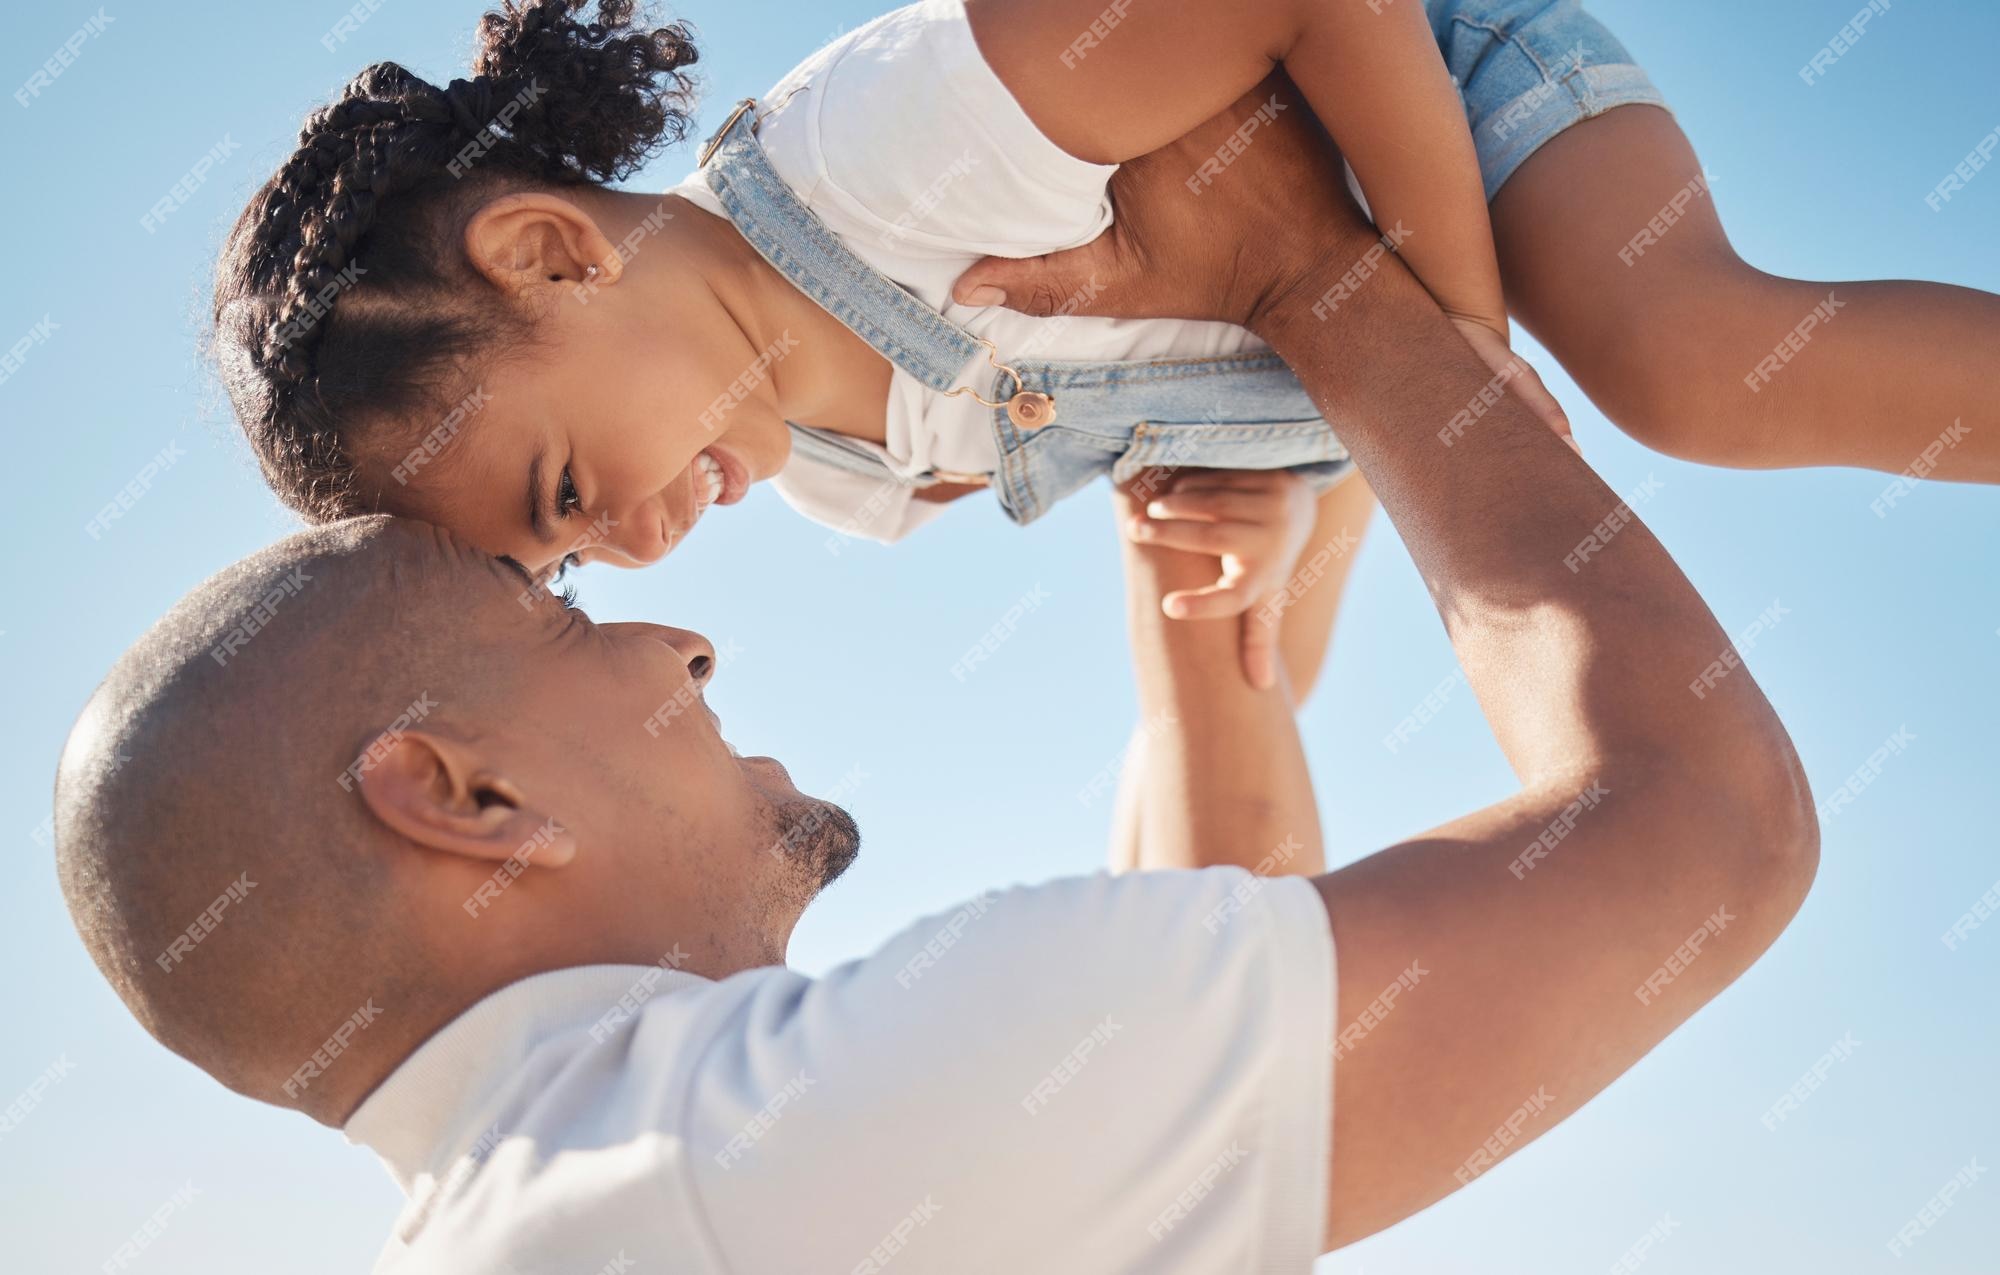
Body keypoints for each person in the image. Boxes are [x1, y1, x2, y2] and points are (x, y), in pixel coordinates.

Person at [61, 86, 1817, 1270]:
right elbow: (1704, 835)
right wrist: (1315, 284)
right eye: (560, 620)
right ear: (463, 796)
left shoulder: (584, 1199)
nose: (679, 636)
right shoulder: (757, 1147)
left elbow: (1199, 1007)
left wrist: (1203, 628)